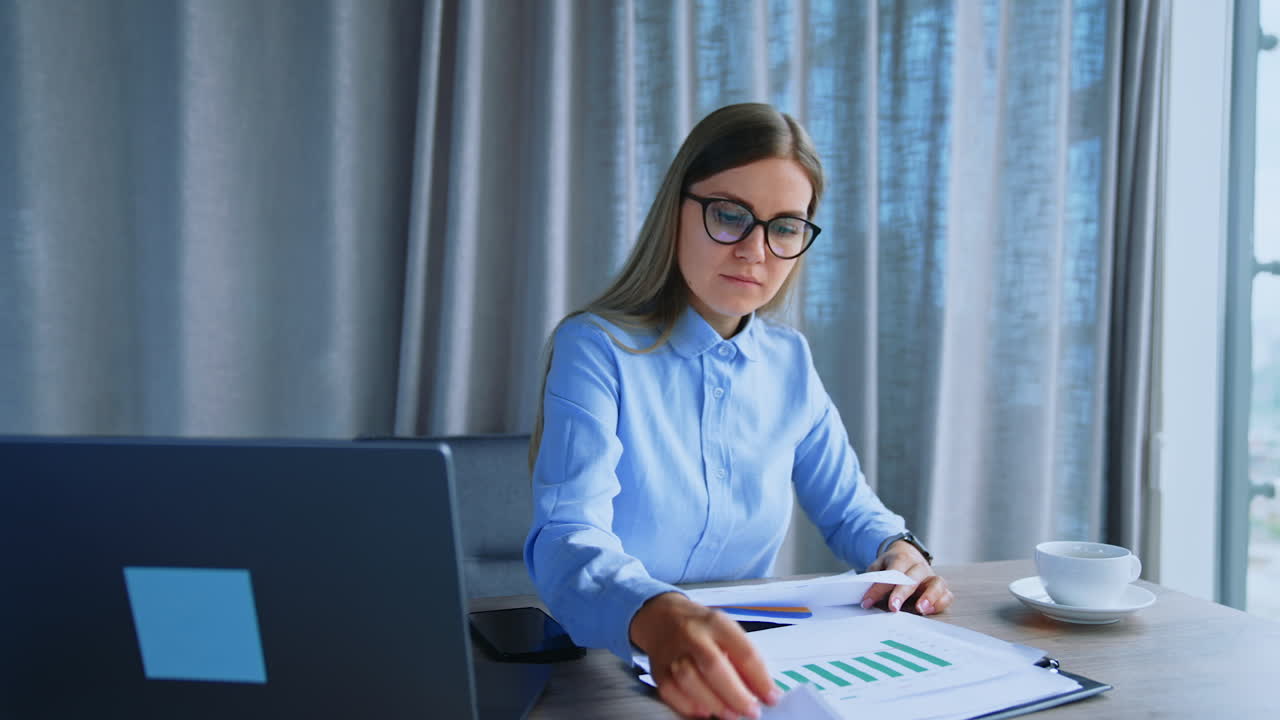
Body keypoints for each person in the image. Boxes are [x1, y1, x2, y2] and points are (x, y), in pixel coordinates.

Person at [523, 103, 953, 720]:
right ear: (677, 210)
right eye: (729, 215)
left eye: (784, 227)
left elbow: (853, 511)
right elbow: (567, 538)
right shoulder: (596, 347)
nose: (755, 250)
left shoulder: (789, 361)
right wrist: (652, 611)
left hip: (753, 665)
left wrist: (900, 553)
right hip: (616, 665)